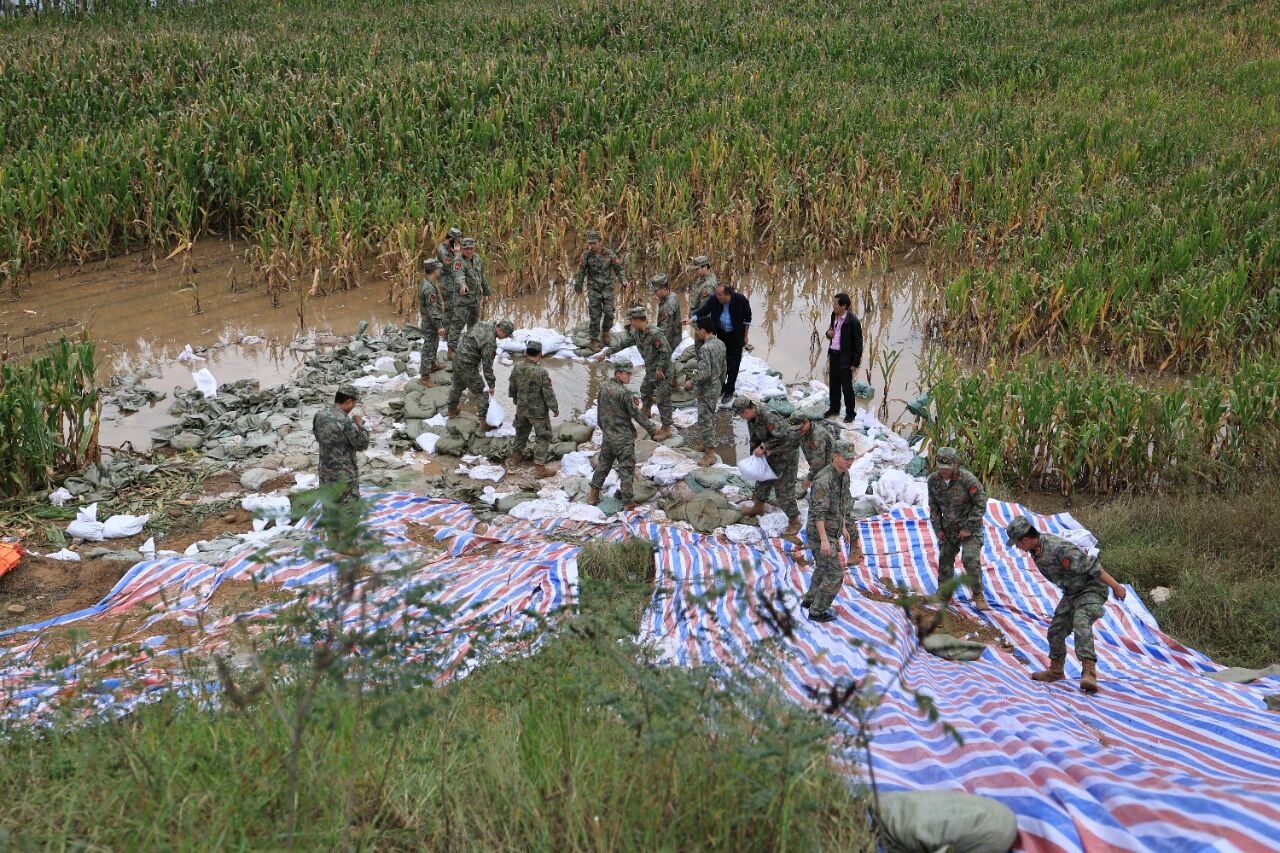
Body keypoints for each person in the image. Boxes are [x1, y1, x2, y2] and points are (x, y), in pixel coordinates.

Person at [1006, 515, 1128, 695]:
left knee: (1081, 620)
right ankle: (1056, 670)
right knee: (1056, 630)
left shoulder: (1059, 548)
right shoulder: (1037, 549)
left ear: (1025, 540)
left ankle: (1089, 673)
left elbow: (1094, 567)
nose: (1018, 547)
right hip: (1072, 592)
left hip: (1091, 589)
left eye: (1017, 543)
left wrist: (1117, 587)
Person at [802, 440, 862, 623]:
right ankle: (817, 611)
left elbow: (842, 503)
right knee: (835, 574)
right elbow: (818, 513)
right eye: (846, 458)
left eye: (851, 458)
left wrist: (842, 526)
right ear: (836, 456)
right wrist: (824, 541)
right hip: (819, 533)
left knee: (822, 567)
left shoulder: (844, 474)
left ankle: (810, 599)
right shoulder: (823, 480)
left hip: (832, 529)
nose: (850, 462)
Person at [593, 306, 673, 440]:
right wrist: (606, 353)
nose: (631, 323)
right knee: (645, 389)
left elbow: (666, 351)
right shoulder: (637, 334)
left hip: (662, 371)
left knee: (663, 399)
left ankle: (666, 428)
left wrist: (660, 368)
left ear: (637, 320)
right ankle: (646, 411)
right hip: (651, 369)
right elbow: (623, 344)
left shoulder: (655, 333)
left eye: (631, 320)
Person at [927, 447, 991, 611]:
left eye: (947, 468)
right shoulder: (933, 480)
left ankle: (978, 594)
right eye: (941, 467)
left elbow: (980, 503)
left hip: (970, 528)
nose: (944, 471)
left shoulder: (968, 480)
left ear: (956, 464)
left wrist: (969, 527)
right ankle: (944, 594)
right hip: (948, 528)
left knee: (969, 559)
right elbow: (933, 507)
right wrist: (938, 528)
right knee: (945, 558)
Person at [588, 358, 657, 510]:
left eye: (630, 374)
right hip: (624, 439)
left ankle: (593, 495)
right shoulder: (624, 393)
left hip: (608, 436)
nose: (629, 377)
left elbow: (600, 411)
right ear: (618, 373)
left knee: (603, 465)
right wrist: (652, 429)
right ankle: (628, 502)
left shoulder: (603, 386)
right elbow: (636, 414)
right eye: (627, 374)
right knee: (626, 469)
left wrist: (604, 428)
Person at [733, 396, 800, 535]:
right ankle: (758, 508)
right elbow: (754, 439)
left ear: (746, 410)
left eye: (741, 414)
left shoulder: (768, 415)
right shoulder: (751, 419)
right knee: (762, 481)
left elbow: (785, 436)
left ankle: (795, 521)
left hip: (786, 454)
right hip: (770, 454)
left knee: (783, 489)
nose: (741, 417)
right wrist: (754, 457)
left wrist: (764, 447)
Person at [692, 284, 752, 405]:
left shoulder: (740, 300)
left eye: (719, 294)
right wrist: (692, 318)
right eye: (716, 294)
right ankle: (721, 386)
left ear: (727, 295)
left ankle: (729, 390)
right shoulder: (715, 300)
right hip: (721, 334)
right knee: (722, 361)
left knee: (734, 363)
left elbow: (747, 319)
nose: (717, 296)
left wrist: (745, 336)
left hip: (736, 335)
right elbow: (704, 310)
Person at [508, 340, 559, 477]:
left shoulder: (517, 367)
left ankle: (515, 458)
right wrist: (554, 408)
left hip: (521, 409)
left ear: (526, 353)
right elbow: (548, 393)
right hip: (538, 413)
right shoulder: (541, 372)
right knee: (544, 436)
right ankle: (539, 468)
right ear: (540, 354)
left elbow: (512, 387)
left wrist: (515, 400)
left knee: (521, 433)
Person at [313, 385, 371, 505]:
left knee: (329, 506)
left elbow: (318, 436)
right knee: (348, 509)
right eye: (354, 403)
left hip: (325, 472)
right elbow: (362, 444)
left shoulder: (319, 415)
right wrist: (360, 425)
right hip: (344, 475)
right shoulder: (345, 420)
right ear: (349, 401)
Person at [445, 318, 513, 417]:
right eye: (506, 335)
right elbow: (487, 366)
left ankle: (451, 410)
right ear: (500, 330)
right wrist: (491, 385)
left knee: (457, 385)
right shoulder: (490, 343)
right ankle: (483, 420)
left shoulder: (483, 324)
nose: (505, 337)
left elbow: (466, 335)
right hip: (467, 366)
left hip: (457, 358)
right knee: (482, 392)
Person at [573, 230, 626, 352]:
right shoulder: (586, 256)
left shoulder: (609, 254)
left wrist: (623, 280)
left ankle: (606, 331)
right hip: (594, 289)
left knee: (609, 313)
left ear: (600, 242)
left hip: (607, 289)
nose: (591, 246)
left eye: (594, 243)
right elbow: (581, 272)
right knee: (595, 315)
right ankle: (594, 340)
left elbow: (619, 269)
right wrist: (578, 287)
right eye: (590, 243)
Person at [684, 318, 725, 466]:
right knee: (709, 416)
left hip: (707, 389)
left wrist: (691, 382)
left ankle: (710, 454)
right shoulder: (720, 344)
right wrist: (720, 384)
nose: (696, 333)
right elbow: (724, 367)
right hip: (716, 386)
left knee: (705, 419)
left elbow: (705, 372)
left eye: (697, 330)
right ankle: (706, 443)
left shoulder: (705, 348)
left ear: (702, 330)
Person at [447, 236, 490, 357]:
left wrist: (487, 291)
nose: (469, 251)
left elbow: (482, 276)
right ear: (462, 249)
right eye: (466, 249)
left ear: (474, 248)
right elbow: (458, 275)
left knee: (473, 324)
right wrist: (462, 285)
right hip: (463, 299)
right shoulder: (458, 260)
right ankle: (451, 350)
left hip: (475, 298)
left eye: (471, 248)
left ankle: (470, 347)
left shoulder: (477, 258)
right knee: (457, 324)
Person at [825, 292, 864, 422]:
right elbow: (831, 333)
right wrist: (828, 334)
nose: (833, 306)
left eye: (836, 304)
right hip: (834, 355)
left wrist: (855, 363)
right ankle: (834, 408)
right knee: (834, 384)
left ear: (844, 306)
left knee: (847, 387)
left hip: (845, 358)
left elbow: (858, 344)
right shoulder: (834, 315)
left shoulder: (853, 321)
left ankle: (850, 414)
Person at [416, 258, 449, 387]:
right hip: (430, 324)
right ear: (435, 270)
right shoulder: (429, 288)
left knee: (434, 344)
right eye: (438, 269)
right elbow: (433, 309)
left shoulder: (426, 282)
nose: (440, 271)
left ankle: (433, 365)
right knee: (428, 348)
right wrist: (439, 326)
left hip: (429, 322)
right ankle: (424, 377)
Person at [792, 409, 835, 490]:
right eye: (796, 429)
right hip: (816, 464)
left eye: (799, 428)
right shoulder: (802, 431)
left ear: (807, 422)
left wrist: (809, 478)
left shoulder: (817, 436)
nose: (798, 431)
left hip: (828, 467)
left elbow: (819, 462)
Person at [652, 273, 682, 363]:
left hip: (670, 340)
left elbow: (663, 330)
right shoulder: (672, 295)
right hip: (675, 335)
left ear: (664, 289)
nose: (655, 293)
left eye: (656, 291)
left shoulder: (667, 306)